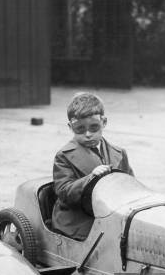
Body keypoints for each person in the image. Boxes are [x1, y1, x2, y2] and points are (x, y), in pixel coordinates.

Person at [52, 92, 134, 240]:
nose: (88, 134)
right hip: (79, 218)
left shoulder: (120, 153)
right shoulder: (64, 155)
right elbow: (63, 191)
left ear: (104, 122)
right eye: (80, 129)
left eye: (94, 127)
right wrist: (90, 178)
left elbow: (131, 185)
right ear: (70, 127)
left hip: (113, 212)